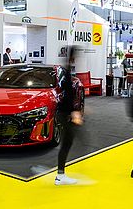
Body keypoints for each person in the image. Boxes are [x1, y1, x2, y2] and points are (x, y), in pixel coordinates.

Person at [55, 46, 84, 185]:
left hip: (65, 112)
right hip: (65, 113)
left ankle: (61, 174)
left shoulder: (65, 71)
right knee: (67, 142)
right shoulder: (66, 72)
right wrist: (73, 112)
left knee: (68, 142)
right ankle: (60, 175)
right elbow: (67, 95)